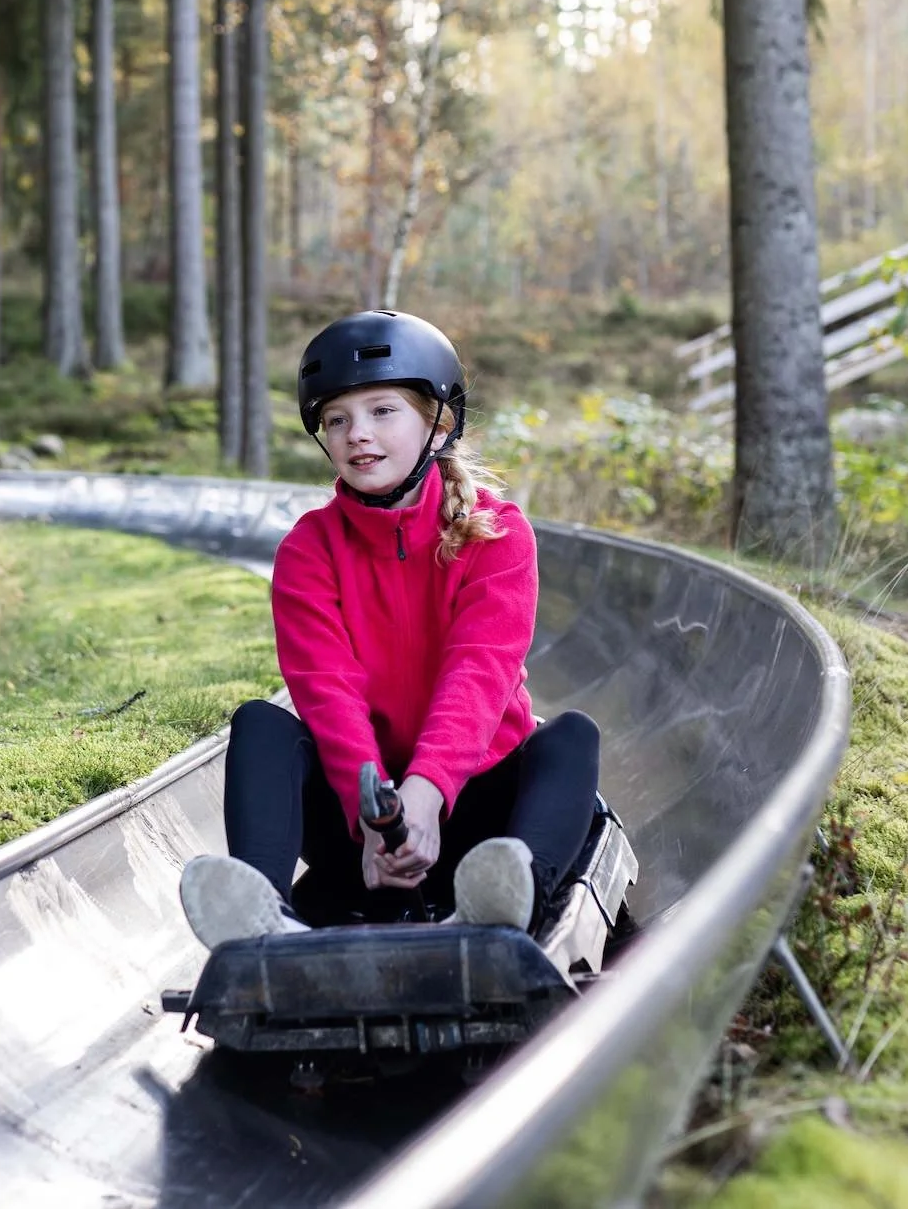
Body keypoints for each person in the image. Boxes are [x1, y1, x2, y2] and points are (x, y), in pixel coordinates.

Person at [179, 309, 601, 947]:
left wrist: (429, 792)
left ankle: (511, 899)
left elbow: (480, 669)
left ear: (439, 421)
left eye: (382, 411)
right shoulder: (308, 549)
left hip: (475, 817)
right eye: (337, 419)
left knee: (571, 739)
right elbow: (327, 688)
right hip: (361, 825)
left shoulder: (498, 532)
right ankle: (262, 922)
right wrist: (372, 819)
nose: (357, 435)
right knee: (260, 726)